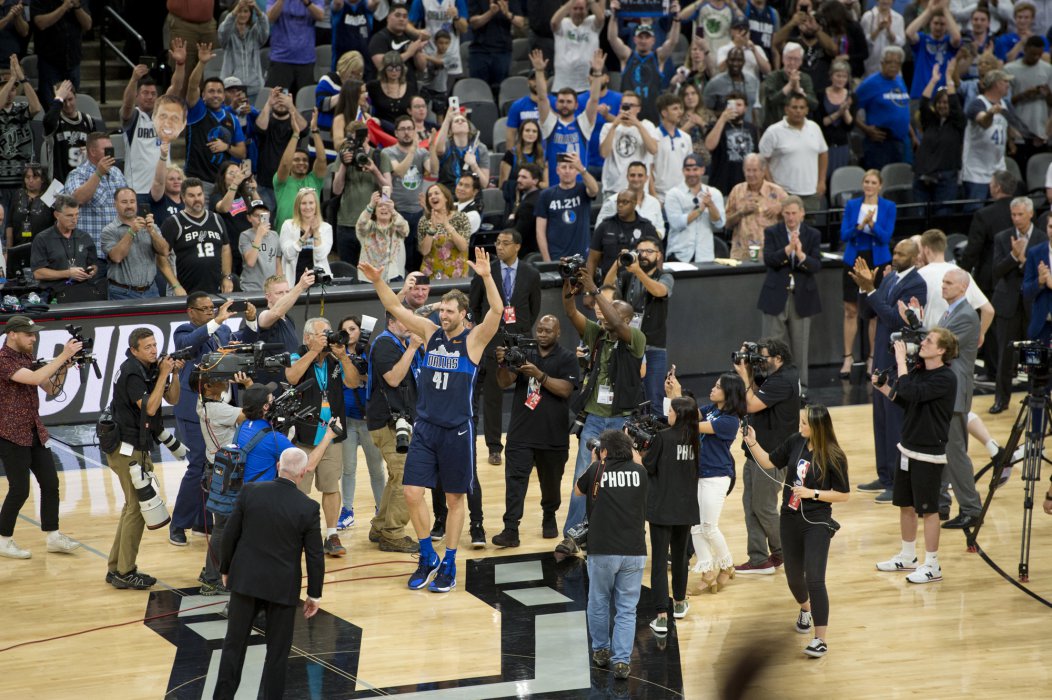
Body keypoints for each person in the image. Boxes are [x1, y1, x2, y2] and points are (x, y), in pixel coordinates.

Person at [358, 246, 504, 593]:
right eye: (442, 310)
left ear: (464, 315)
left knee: (455, 500)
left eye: (451, 312)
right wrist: (379, 282)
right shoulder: (429, 331)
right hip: (424, 427)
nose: (444, 316)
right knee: (411, 493)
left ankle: (450, 561)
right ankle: (427, 556)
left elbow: (497, 311)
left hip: (457, 430)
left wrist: (486, 276)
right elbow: (394, 307)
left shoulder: (474, 340)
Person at [212, 445, 328, 700]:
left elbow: (229, 534)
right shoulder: (308, 508)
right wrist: (314, 594)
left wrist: (226, 568)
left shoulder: (250, 491)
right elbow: (315, 555)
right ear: (302, 474)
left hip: (245, 582)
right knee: (277, 655)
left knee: (233, 646)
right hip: (282, 589)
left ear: (278, 466)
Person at [744, 404, 850, 657]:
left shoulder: (834, 455)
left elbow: (843, 495)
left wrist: (813, 493)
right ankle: (806, 608)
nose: (799, 426)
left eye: (804, 423)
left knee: (815, 578)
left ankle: (820, 639)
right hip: (789, 518)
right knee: (794, 579)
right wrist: (752, 442)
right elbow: (769, 462)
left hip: (817, 521)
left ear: (817, 427)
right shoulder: (795, 442)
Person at [558, 268, 645, 552]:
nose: (602, 316)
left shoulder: (634, 338)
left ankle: (614, 531)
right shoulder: (598, 334)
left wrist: (595, 290)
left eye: (609, 312)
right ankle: (573, 535)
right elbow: (571, 313)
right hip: (594, 419)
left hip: (622, 421)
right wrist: (568, 291)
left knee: (621, 477)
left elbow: (617, 325)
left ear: (628, 319)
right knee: (583, 476)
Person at [874, 328, 958, 584]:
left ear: (941, 350)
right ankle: (908, 556)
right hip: (908, 446)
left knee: (929, 509)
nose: (923, 343)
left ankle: (932, 564)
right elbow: (908, 401)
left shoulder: (946, 378)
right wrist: (885, 388)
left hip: (929, 452)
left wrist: (900, 363)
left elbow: (913, 393)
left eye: (929, 341)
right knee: (905, 504)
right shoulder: (921, 372)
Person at [169, 294, 253, 545]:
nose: (209, 312)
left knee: (218, 465)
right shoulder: (184, 331)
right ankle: (178, 525)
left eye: (211, 308)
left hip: (225, 404)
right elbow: (191, 344)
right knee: (197, 466)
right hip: (195, 410)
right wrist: (216, 320)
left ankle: (202, 522)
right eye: (203, 309)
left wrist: (251, 321)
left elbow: (243, 344)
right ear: (190, 312)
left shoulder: (225, 330)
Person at [849, 239, 927, 502]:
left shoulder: (917, 283)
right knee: (880, 421)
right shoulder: (891, 277)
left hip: (899, 361)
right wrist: (863, 290)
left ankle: (897, 483)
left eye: (902, 253)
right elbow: (868, 314)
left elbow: (895, 319)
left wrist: (872, 290)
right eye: (894, 252)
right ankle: (884, 476)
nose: (895, 256)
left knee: (895, 422)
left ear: (916, 257)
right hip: (882, 356)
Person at [0, 316, 84, 561]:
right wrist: (61, 356)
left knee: (50, 483)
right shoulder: (3, 359)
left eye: (34, 334)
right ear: (12, 334)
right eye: (29, 334)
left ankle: (53, 535)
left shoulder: (26, 358)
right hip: (10, 433)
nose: (33, 338)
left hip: (34, 429)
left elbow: (51, 389)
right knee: (20, 489)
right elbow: (35, 379)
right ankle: (3, 540)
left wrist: (63, 368)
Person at [105, 328, 183, 587]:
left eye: (154, 345)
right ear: (134, 350)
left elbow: (172, 398)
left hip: (135, 445)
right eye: (147, 347)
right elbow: (150, 407)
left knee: (131, 507)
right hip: (125, 447)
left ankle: (116, 568)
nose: (153, 350)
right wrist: (162, 374)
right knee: (138, 508)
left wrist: (173, 373)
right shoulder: (131, 372)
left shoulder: (148, 367)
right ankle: (125, 572)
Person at [491, 314, 578, 546]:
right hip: (521, 432)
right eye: (539, 329)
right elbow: (503, 382)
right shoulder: (524, 353)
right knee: (515, 482)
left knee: (551, 485)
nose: (542, 333)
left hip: (553, 435)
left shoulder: (567, 358)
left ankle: (549, 515)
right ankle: (511, 529)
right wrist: (503, 362)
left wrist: (539, 375)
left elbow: (566, 390)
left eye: (548, 330)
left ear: (558, 333)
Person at [285, 316, 363, 558]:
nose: (328, 338)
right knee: (300, 490)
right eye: (323, 334)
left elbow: (352, 383)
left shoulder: (335, 359)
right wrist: (313, 351)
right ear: (308, 337)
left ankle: (331, 534)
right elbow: (292, 377)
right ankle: (298, 534)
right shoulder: (298, 354)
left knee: (331, 486)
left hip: (332, 434)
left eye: (329, 333)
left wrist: (343, 356)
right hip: (303, 434)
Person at [574, 429, 647, 681]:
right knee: (627, 608)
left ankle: (601, 650)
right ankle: (621, 661)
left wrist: (595, 462)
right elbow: (639, 468)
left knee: (598, 601)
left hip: (602, 549)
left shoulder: (596, 471)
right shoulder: (641, 472)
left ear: (603, 451)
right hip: (634, 551)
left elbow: (577, 491)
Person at [668, 372, 746, 598]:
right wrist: (676, 394)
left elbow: (691, 424)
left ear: (728, 393)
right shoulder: (713, 409)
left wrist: (677, 401)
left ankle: (727, 565)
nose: (712, 389)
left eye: (717, 386)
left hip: (717, 477)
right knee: (695, 526)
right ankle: (708, 573)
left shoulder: (729, 421)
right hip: (700, 475)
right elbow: (690, 413)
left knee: (709, 526)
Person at [469, 230, 541, 465]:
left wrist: (520, 331)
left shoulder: (531, 274)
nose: (499, 247)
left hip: (521, 338)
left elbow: (534, 307)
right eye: (497, 243)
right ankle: (493, 447)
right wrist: (489, 330)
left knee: (529, 391)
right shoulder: (485, 273)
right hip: (493, 340)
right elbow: (475, 305)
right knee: (492, 396)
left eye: (505, 243)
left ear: (518, 246)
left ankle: (525, 441)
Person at [733, 337, 800, 574]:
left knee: (763, 507)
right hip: (758, 449)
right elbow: (757, 390)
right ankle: (759, 558)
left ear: (778, 358)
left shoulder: (783, 380)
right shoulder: (779, 374)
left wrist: (744, 376)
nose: (760, 362)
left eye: (764, 358)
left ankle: (788, 550)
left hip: (771, 455)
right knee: (751, 505)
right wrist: (747, 363)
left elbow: (750, 404)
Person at [641, 391, 701, 635]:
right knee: (680, 558)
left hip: (662, 508)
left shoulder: (663, 438)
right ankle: (678, 603)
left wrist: (640, 454)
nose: (668, 414)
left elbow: (649, 466)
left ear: (680, 415)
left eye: (672, 411)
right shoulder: (695, 439)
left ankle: (662, 616)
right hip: (685, 509)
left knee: (658, 561)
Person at [364, 310, 423, 553]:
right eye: (404, 320)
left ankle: (380, 527)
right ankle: (393, 533)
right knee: (406, 475)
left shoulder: (399, 341)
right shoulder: (384, 345)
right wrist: (412, 348)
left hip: (399, 421)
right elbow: (393, 379)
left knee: (396, 475)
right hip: (387, 422)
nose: (409, 325)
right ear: (391, 322)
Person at [758, 196, 822, 396]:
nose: (791, 217)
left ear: (802, 213)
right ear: (782, 214)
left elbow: (816, 265)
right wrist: (788, 250)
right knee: (770, 345)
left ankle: (800, 388)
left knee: (800, 346)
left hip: (801, 297)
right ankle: (769, 385)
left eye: (794, 213)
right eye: (787, 213)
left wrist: (801, 255)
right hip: (776, 296)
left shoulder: (812, 234)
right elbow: (769, 259)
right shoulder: (772, 232)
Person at [603, 236, 672, 414]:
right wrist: (617, 264)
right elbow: (607, 287)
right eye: (640, 251)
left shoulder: (665, 276)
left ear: (659, 255)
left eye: (649, 251)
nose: (643, 255)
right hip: (628, 344)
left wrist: (638, 271)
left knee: (654, 398)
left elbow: (659, 291)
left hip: (653, 346)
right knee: (628, 395)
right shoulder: (627, 276)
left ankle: (657, 440)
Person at [991, 199, 1046, 412]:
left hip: (1033, 304)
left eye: (1020, 214)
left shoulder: (1042, 238)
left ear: (1030, 214)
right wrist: (1015, 256)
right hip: (1008, 303)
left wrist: (1024, 261)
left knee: (1033, 353)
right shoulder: (1003, 237)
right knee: (1005, 355)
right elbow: (996, 271)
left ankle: (1035, 397)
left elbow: (1039, 271)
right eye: (1013, 214)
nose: (1016, 218)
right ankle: (1001, 400)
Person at [840, 170, 896, 378]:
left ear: (880, 185)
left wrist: (872, 224)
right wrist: (860, 225)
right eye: (866, 181)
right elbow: (844, 234)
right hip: (854, 258)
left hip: (878, 261)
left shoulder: (889, 207)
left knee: (874, 311)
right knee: (850, 309)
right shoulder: (853, 205)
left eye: (873, 182)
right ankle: (848, 357)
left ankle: (873, 358)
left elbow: (886, 236)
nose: (869, 185)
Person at [532, 48, 603, 185]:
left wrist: (597, 73)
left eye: (569, 102)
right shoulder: (550, 123)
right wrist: (539, 72)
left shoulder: (583, 123)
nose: (565, 105)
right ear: (556, 104)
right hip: (555, 186)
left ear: (576, 105)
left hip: (579, 186)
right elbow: (542, 98)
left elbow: (594, 99)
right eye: (561, 101)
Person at [183, 46, 248, 190]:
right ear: (203, 96)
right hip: (197, 182)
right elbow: (192, 86)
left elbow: (242, 152)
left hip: (223, 184)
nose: (216, 95)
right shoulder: (197, 111)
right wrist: (201, 63)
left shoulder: (232, 119)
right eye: (211, 91)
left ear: (224, 96)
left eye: (219, 91)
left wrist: (227, 147)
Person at [159, 178, 234, 296]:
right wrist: (175, 285)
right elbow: (161, 257)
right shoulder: (173, 223)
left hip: (215, 289)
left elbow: (225, 249)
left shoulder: (216, 219)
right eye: (191, 196)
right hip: (185, 291)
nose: (197, 199)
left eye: (199, 194)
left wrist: (227, 276)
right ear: (183, 198)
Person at [62, 131, 128, 263]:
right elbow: (78, 199)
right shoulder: (78, 174)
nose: (111, 153)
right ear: (92, 151)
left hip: (117, 250)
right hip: (93, 252)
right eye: (106, 149)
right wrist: (98, 173)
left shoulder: (117, 173)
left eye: (111, 149)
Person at [333, 121, 392, 265]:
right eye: (353, 139)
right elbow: (336, 190)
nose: (358, 142)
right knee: (349, 270)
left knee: (373, 271)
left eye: (361, 138)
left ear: (368, 136)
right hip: (347, 224)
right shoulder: (343, 157)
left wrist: (375, 171)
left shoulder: (379, 156)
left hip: (373, 224)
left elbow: (388, 191)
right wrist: (344, 165)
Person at [606, 14, 681, 123]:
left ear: (653, 40)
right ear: (635, 39)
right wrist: (614, 16)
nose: (643, 40)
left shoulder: (658, 57)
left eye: (647, 37)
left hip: (652, 119)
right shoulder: (627, 56)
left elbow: (673, 41)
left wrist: (676, 18)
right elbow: (612, 38)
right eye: (640, 37)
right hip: (628, 119)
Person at [758, 93, 827, 210]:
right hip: (784, 193)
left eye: (801, 107)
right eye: (794, 107)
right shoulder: (773, 131)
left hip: (811, 193)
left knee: (810, 228)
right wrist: (773, 187)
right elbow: (762, 161)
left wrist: (821, 181)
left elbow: (823, 153)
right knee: (783, 227)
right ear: (786, 109)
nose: (798, 111)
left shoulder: (815, 128)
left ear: (807, 110)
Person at [961, 69, 1019, 210]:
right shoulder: (978, 103)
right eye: (1005, 81)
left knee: (1000, 212)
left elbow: (1014, 127)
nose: (1008, 85)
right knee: (975, 212)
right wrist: (990, 114)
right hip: (977, 172)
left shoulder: (1005, 105)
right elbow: (983, 121)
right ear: (996, 84)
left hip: (998, 170)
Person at [101, 187, 170, 300]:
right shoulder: (109, 230)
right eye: (124, 202)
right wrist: (132, 231)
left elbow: (164, 251)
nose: (129, 206)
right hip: (122, 293)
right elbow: (116, 257)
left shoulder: (151, 226)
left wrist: (152, 232)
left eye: (132, 201)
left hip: (151, 290)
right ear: (115, 204)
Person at [913, 64, 964, 214]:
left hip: (946, 178)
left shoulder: (958, 123)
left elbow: (955, 105)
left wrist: (949, 79)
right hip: (922, 175)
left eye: (946, 102)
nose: (943, 105)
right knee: (920, 214)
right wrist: (934, 80)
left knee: (943, 215)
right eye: (940, 102)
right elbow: (923, 103)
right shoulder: (930, 121)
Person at [29, 194, 100, 300]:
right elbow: (38, 273)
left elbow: (94, 264)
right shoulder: (42, 239)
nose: (74, 220)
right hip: (55, 295)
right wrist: (68, 273)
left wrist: (92, 270)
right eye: (69, 215)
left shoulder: (84, 237)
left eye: (77, 215)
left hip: (84, 292)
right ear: (57, 215)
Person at [534, 151, 599, 262]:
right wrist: (547, 260)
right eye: (564, 167)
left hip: (582, 256)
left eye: (571, 167)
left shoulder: (583, 189)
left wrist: (582, 169)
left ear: (576, 171)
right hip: (557, 256)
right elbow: (540, 231)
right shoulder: (546, 195)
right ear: (557, 170)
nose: (567, 171)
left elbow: (595, 190)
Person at [664, 153, 726, 264]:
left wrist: (711, 205)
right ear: (683, 171)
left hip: (705, 256)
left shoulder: (714, 193)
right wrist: (700, 210)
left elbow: (720, 223)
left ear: (702, 170)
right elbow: (676, 223)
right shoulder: (673, 194)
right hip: (679, 255)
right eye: (688, 170)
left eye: (695, 169)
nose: (691, 173)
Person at [725, 153, 787, 262]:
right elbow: (727, 224)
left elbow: (797, 214)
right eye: (748, 170)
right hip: (741, 254)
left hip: (770, 253)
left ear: (763, 172)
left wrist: (781, 207)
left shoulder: (777, 192)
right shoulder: (737, 190)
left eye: (754, 170)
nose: (751, 174)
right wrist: (741, 213)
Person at [587, 188, 661, 278]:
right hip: (609, 283)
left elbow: (658, 256)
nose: (620, 205)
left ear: (635, 203)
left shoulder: (646, 227)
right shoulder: (604, 226)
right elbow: (592, 260)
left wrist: (658, 280)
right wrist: (589, 287)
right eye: (618, 202)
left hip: (639, 283)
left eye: (625, 202)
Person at [597, 90, 658, 200]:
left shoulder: (647, 125)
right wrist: (615, 124)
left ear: (639, 109)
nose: (628, 109)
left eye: (632, 106)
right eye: (625, 105)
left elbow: (653, 149)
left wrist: (637, 125)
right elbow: (604, 153)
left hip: (639, 190)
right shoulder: (608, 127)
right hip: (613, 189)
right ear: (620, 107)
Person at [274, 109, 327, 231]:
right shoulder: (282, 181)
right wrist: (295, 134)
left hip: (311, 233)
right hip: (285, 234)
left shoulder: (315, 180)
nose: (302, 162)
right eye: (296, 160)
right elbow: (285, 164)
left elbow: (322, 159)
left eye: (305, 160)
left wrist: (314, 130)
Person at [0, 56, 42, 211]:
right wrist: (11, 79)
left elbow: (36, 108)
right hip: (1, 182)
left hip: (21, 179)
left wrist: (22, 79)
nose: (10, 92)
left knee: (21, 225)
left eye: (13, 89)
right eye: (6, 88)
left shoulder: (21, 108)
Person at [29, 0, 91, 104]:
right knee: (50, 103)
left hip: (73, 60)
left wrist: (77, 7)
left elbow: (88, 24)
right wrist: (64, 7)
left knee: (71, 103)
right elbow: (40, 23)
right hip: (49, 62)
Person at [119, 66, 165, 203]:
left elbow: (174, 91)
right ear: (137, 96)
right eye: (145, 93)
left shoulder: (164, 117)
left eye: (153, 93)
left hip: (164, 188)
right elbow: (127, 106)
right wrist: (134, 79)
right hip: (138, 189)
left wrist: (180, 66)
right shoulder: (134, 117)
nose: (150, 97)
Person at [43, 80, 102, 184]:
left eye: (70, 99)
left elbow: (97, 150)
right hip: (59, 184)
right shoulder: (55, 121)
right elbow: (47, 121)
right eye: (64, 101)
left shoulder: (88, 120)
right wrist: (58, 98)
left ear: (76, 97)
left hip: (84, 182)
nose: (68, 104)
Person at [703, 92, 758, 197]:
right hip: (722, 184)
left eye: (739, 105)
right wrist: (722, 119)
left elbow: (756, 154)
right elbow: (709, 145)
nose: (736, 108)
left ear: (745, 108)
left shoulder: (752, 128)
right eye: (732, 105)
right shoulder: (717, 125)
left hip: (746, 185)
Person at [465, 0, 525, 93]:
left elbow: (520, 23)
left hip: (502, 51)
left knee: (502, 90)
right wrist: (491, 12)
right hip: (480, 51)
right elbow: (473, 23)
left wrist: (507, 13)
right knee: (478, 89)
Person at [265, 0, 323, 96]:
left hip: (305, 59)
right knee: (278, 102)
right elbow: (270, 17)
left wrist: (307, 2)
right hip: (281, 58)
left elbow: (320, 15)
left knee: (305, 104)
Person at [218, 0, 270, 102]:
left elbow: (265, 29)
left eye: (246, 11)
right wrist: (236, 9)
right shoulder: (228, 33)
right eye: (239, 11)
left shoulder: (255, 32)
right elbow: (223, 30)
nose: (242, 15)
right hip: (232, 88)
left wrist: (257, 10)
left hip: (254, 87)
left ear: (250, 14)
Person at [278, 187, 333, 284]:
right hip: (293, 282)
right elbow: (288, 254)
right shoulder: (288, 225)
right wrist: (304, 237)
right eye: (303, 203)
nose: (308, 207)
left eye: (311, 203)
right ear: (298, 206)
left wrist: (316, 232)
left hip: (318, 283)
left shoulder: (326, 228)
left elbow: (320, 256)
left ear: (316, 205)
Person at [418, 183, 472, 279]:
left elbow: (463, 247)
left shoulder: (461, 217)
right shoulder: (424, 220)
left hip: (457, 275)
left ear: (446, 198)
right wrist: (432, 229)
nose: (433, 196)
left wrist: (447, 225)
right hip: (431, 274)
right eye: (429, 195)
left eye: (436, 193)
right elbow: (424, 251)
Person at [760, 42, 817, 131]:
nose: (792, 62)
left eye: (796, 59)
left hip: (799, 128)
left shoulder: (805, 78)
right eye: (789, 58)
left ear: (801, 61)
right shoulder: (773, 76)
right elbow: (771, 100)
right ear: (783, 59)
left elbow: (814, 104)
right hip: (775, 127)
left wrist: (799, 90)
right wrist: (790, 85)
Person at [550, 0, 604, 93]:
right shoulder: (563, 23)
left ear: (587, 10)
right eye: (575, 8)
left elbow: (601, 18)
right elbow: (554, 22)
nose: (578, 11)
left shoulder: (592, 23)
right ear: (569, 10)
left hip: (586, 85)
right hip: (562, 84)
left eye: (581, 8)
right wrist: (572, 1)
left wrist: (590, 2)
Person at [594, 161, 664, 232]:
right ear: (627, 177)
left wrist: (650, 239)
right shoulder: (613, 201)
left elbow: (660, 228)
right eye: (632, 175)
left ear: (646, 178)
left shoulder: (654, 203)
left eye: (640, 175)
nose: (636, 179)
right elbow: (599, 228)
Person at [356, 190, 410, 281]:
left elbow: (404, 229)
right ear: (375, 212)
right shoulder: (368, 226)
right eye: (380, 206)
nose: (384, 208)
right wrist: (370, 205)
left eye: (387, 206)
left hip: (393, 276)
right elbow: (361, 223)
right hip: (368, 277)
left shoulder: (398, 226)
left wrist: (393, 210)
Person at [704, 47, 762, 125]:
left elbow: (754, 109)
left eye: (739, 60)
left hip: (748, 130)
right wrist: (724, 114)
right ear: (727, 61)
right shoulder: (714, 83)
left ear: (744, 62)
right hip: (723, 129)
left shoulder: (753, 81)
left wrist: (756, 131)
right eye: (732, 60)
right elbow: (706, 110)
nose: (735, 63)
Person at [238, 201, 282, 293]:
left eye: (263, 215)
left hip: (271, 289)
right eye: (256, 215)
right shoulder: (245, 235)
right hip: (251, 288)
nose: (260, 219)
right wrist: (259, 235)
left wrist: (280, 285)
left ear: (269, 215)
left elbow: (277, 263)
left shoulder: (274, 235)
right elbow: (250, 262)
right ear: (249, 218)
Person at [5, 163, 52, 248]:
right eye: (27, 177)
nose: (30, 180)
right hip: (18, 247)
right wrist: (9, 249)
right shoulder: (18, 195)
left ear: (43, 179)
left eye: (35, 177)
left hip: (43, 250)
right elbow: (9, 224)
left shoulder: (50, 197)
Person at [1022, 218, 1052, 342]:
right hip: (1041, 326)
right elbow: (1026, 292)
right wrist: (1039, 281)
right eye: (1051, 226)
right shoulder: (1035, 252)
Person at [860, 0, 906, 76]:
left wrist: (889, 30)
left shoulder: (898, 18)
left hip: (892, 65)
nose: (885, 1)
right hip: (872, 65)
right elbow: (863, 42)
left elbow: (901, 42)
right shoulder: (868, 17)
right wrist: (878, 30)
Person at [509, 163, 543, 255]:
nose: (519, 180)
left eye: (524, 177)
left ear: (535, 181)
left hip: (526, 254)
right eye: (519, 176)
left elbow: (517, 234)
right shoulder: (540, 195)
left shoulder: (529, 204)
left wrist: (511, 218)